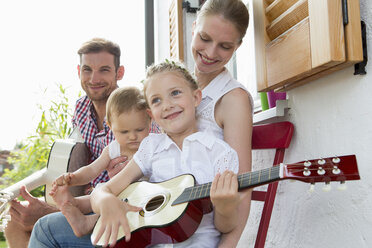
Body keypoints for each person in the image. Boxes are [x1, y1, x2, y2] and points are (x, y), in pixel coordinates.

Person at [29, 61, 241, 248]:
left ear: (196, 97)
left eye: (175, 93)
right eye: (156, 100)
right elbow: (104, 191)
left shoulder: (220, 154)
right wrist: (105, 201)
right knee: (45, 228)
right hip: (139, 239)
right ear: (150, 114)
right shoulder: (151, 146)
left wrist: (225, 205)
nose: (167, 105)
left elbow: (225, 226)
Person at [4, 38, 128, 248]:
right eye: (87, 69)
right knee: (12, 222)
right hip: (82, 199)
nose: (94, 78)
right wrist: (62, 200)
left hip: (113, 203)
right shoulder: (80, 108)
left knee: (43, 224)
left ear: (120, 72)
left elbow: (133, 181)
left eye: (104, 70)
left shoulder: (130, 108)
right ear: (79, 71)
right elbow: (76, 158)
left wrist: (52, 210)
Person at [49, 86, 151, 237]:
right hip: (110, 194)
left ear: (150, 120)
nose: (132, 137)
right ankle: (72, 204)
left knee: (117, 200)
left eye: (139, 130)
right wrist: (73, 178)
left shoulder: (151, 147)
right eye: (124, 132)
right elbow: (91, 170)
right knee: (100, 191)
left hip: (139, 200)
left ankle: (87, 222)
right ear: (110, 126)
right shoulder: (113, 149)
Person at [191, 0, 253, 247]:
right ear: (194, 26)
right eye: (204, 38)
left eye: (225, 46)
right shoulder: (177, 88)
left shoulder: (233, 99)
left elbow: (242, 188)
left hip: (197, 233)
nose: (211, 52)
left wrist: (229, 244)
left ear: (237, 46)